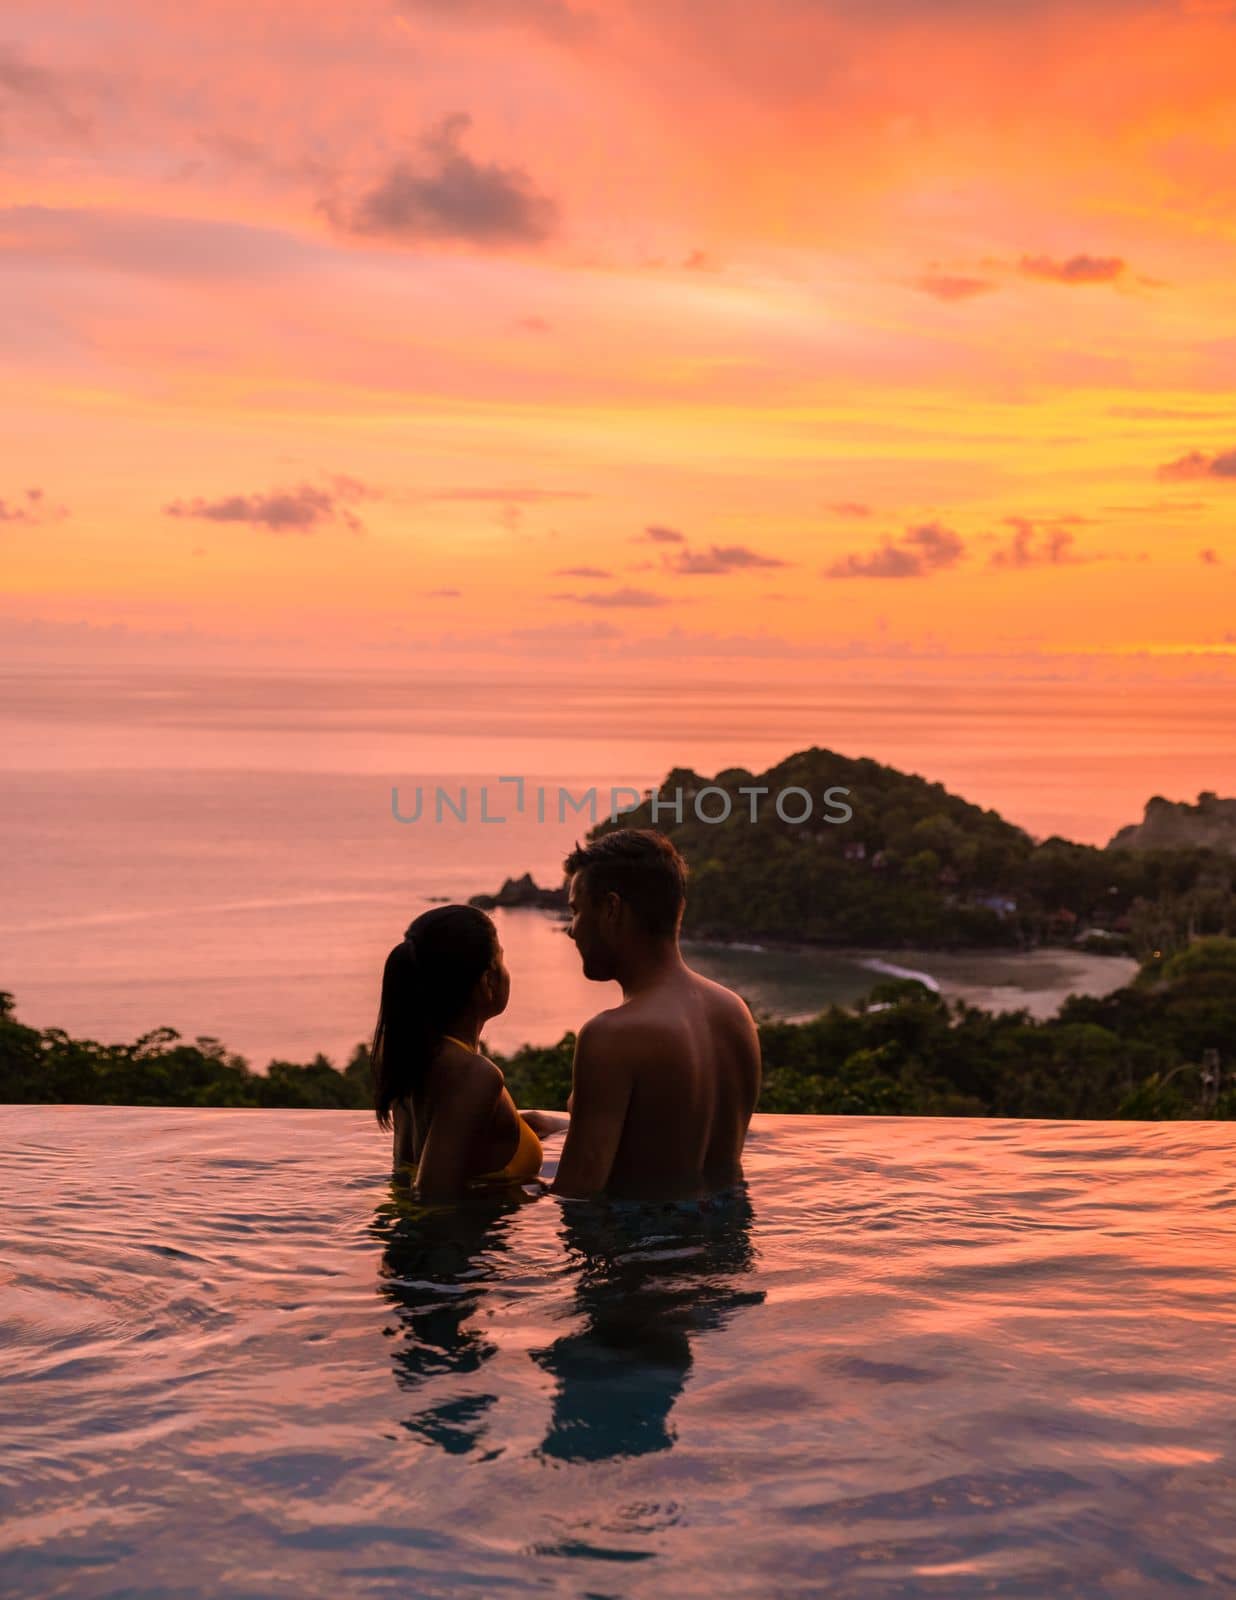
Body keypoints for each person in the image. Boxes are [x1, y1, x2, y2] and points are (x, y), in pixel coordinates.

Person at [550, 828, 762, 1202]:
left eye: (576, 910)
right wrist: (555, 1124)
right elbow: (661, 1134)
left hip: (643, 1255)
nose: (571, 930)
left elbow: (575, 1195)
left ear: (612, 909)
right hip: (728, 1245)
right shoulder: (734, 1012)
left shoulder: (614, 1035)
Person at [371, 905, 569, 1201]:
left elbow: (454, 1133)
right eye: (502, 959)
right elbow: (432, 1196)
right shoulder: (473, 1074)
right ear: (488, 981)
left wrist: (567, 1124)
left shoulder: (411, 1051)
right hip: (460, 1243)